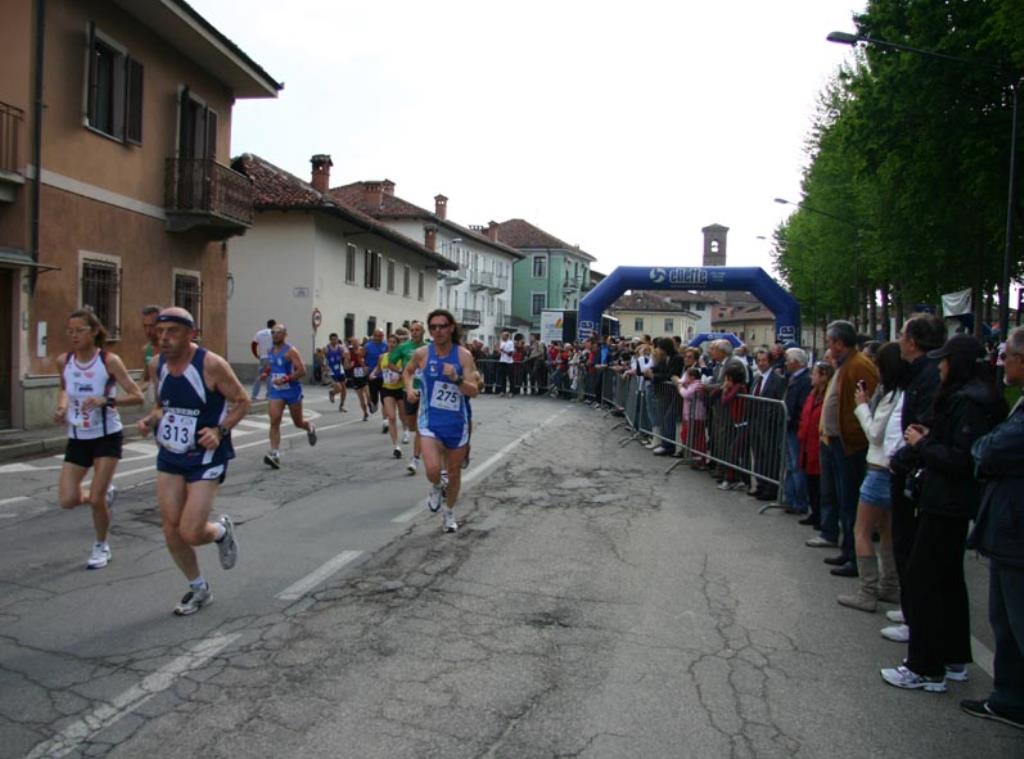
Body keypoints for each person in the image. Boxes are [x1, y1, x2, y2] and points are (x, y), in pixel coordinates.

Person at [881, 334, 1007, 692]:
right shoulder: (975, 398)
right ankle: (953, 658)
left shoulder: (968, 402)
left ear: (957, 364)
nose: (939, 367)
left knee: (925, 580)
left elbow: (962, 459)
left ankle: (924, 666)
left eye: (945, 360)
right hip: (949, 500)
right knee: (947, 581)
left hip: (945, 500)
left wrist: (923, 443)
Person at [137, 307, 248, 615]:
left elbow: (242, 401)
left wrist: (220, 430)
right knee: (171, 529)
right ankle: (199, 588)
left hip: (206, 457)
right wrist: (151, 419)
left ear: (191, 334)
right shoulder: (156, 364)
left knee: (191, 531)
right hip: (171, 454)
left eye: (172, 331)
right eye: (160, 331)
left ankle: (221, 532)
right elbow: (162, 406)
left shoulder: (211, 365)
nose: (164, 338)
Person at [961, 325, 1024, 728]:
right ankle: (1009, 699)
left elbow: (989, 448)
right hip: (1007, 528)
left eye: (1008, 358)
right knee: (1004, 621)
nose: (1003, 365)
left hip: (1016, 529)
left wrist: (983, 450)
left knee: (1018, 621)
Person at [55, 309, 143, 569]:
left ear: (94, 332)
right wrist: (62, 407)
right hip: (77, 436)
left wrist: (107, 400)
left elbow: (137, 395)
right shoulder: (64, 361)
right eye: (70, 331)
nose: (74, 335)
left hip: (106, 436)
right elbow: (64, 388)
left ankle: (101, 545)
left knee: (96, 498)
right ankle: (104, 495)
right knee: (67, 499)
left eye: (79, 330)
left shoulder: (109, 361)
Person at [881, 313, 947, 643]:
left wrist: (901, 459)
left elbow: (922, 426)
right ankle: (910, 610)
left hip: (915, 472)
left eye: (903, 335)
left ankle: (916, 620)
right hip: (908, 467)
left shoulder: (928, 376)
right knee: (904, 545)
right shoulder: (918, 374)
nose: (899, 342)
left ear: (913, 341)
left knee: (911, 549)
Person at [837, 342, 907, 612]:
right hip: (890, 470)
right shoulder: (901, 394)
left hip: (879, 468)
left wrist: (862, 407)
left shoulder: (892, 397)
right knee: (887, 530)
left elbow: (875, 434)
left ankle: (867, 591)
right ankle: (889, 584)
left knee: (862, 530)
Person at [807, 321, 879, 579]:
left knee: (850, 502)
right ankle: (847, 550)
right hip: (836, 441)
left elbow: (865, 403)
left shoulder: (858, 365)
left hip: (849, 444)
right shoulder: (845, 364)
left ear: (839, 343)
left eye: (830, 342)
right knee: (842, 499)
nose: (828, 346)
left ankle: (854, 556)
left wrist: (850, 435)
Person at [402, 309, 480, 533]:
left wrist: (457, 379)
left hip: (457, 424)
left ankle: (449, 512)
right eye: (433, 327)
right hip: (430, 422)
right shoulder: (422, 354)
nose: (437, 331)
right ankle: (437, 485)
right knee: (433, 469)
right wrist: (409, 389)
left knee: (454, 474)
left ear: (451, 328)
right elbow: (407, 372)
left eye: (442, 326)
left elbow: (474, 391)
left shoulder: (463, 356)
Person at [262, 324, 317, 469]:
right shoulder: (270, 350)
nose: (275, 335)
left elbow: (302, 370)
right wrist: (266, 373)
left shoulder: (291, 351)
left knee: (298, 422)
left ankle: (309, 427)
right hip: (276, 391)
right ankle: (275, 454)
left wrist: (286, 379)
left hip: (292, 390)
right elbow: (271, 364)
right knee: (274, 420)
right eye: (273, 332)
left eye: (278, 332)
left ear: (285, 335)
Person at [797, 362, 834, 529]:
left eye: (815, 374)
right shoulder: (812, 395)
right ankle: (814, 513)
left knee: (821, 485)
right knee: (811, 481)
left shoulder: (827, 397)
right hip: (807, 442)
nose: (811, 377)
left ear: (823, 376)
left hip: (818, 444)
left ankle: (822, 517)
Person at [748, 347, 787, 500]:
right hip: (755, 421)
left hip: (769, 424)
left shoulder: (777, 379)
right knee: (758, 455)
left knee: (770, 456)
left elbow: (780, 401)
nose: (761, 363)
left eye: (764, 360)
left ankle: (771, 488)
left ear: (770, 362)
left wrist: (773, 418)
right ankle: (760, 483)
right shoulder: (757, 378)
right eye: (758, 360)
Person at [390, 321, 428, 473]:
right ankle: (420, 438)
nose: (414, 332)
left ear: (423, 331)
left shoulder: (429, 347)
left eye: (417, 329)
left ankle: (415, 458)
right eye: (412, 330)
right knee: (411, 424)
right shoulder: (403, 347)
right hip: (409, 390)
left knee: (420, 425)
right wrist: (403, 372)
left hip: (425, 390)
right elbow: (391, 363)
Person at [782, 347, 812, 514]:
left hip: (795, 428)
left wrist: (791, 419)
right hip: (790, 427)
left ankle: (799, 501)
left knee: (796, 465)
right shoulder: (793, 378)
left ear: (796, 363)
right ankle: (790, 497)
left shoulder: (805, 380)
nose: (786, 364)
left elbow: (801, 406)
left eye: (788, 361)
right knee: (789, 464)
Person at [369, 333, 405, 459]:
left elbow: (406, 371)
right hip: (387, 389)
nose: (391, 344)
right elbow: (378, 369)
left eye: (394, 342)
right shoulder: (382, 357)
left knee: (403, 416)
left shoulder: (401, 358)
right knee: (392, 417)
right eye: (389, 342)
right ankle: (396, 446)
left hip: (400, 389)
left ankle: (406, 431)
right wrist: (373, 374)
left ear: (398, 344)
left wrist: (399, 376)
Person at [138, 305, 161, 403]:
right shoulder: (147, 350)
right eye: (145, 326)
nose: (148, 331)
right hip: (155, 405)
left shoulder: (173, 349)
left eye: (151, 326)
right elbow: (146, 379)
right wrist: (133, 392)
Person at [345, 336, 371, 420]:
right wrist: (350, 365)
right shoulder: (349, 353)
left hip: (364, 376)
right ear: (351, 343)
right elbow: (346, 366)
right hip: (355, 377)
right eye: (353, 342)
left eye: (356, 342)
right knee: (361, 398)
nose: (355, 343)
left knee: (368, 394)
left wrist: (366, 367)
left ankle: (370, 403)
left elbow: (368, 361)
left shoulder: (363, 350)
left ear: (359, 342)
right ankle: (365, 413)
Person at [250, 319, 276, 400]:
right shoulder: (274, 333)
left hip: (263, 357)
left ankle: (254, 395)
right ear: (274, 325)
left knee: (259, 376)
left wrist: (256, 354)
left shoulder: (259, 333)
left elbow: (253, 344)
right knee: (269, 376)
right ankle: (268, 395)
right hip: (271, 357)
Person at [364, 328, 388, 416]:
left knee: (384, 399)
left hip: (384, 375)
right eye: (376, 336)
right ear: (373, 336)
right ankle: (372, 403)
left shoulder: (386, 345)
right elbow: (361, 357)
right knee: (374, 398)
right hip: (372, 375)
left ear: (383, 336)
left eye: (380, 336)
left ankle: (385, 420)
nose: (378, 338)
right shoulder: (367, 346)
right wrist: (364, 366)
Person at [324, 332, 349, 412]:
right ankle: (332, 392)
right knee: (338, 387)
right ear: (330, 340)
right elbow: (323, 358)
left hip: (339, 369)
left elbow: (346, 356)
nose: (335, 341)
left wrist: (345, 360)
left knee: (344, 388)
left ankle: (341, 406)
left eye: (336, 339)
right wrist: (325, 366)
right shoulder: (327, 348)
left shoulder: (341, 348)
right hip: (331, 370)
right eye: (333, 339)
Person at [496, 330, 514, 397]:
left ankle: (511, 391)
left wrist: (503, 350)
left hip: (509, 362)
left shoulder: (510, 343)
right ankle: (503, 391)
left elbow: (510, 354)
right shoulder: (502, 342)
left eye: (503, 336)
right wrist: (498, 350)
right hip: (502, 361)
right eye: (502, 336)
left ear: (507, 336)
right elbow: (500, 353)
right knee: (503, 377)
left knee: (510, 377)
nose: (502, 337)